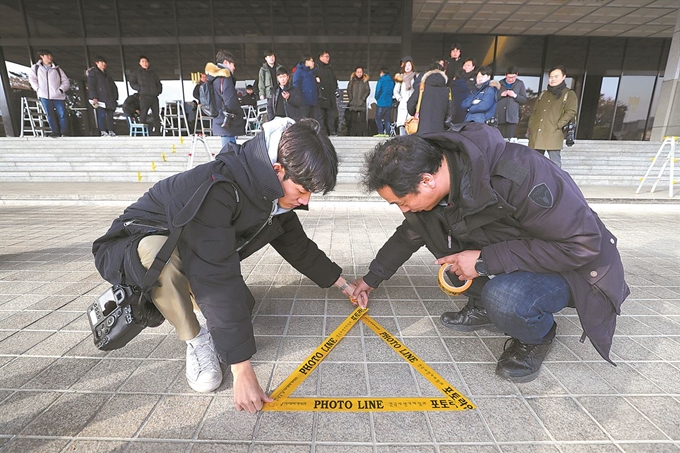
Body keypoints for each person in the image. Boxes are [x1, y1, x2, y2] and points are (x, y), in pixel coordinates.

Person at [92, 117, 358, 410]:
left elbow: (297, 246)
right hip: (133, 245)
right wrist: (242, 369)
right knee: (162, 255)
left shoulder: (268, 192)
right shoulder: (220, 188)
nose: (305, 200)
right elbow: (216, 275)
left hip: (190, 249)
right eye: (302, 190)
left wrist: (342, 283)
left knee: (242, 307)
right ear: (278, 170)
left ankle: (193, 302)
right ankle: (194, 339)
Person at [351, 124, 630, 383]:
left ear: (426, 181)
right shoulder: (444, 178)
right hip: (524, 254)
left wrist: (484, 261)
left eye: (402, 202)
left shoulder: (522, 174)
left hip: (574, 268)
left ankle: (537, 336)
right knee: (433, 231)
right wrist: (371, 278)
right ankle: (482, 305)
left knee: (504, 297)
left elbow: (582, 245)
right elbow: (409, 234)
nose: (404, 209)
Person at [528, 65, 578, 168]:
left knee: (555, 164)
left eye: (556, 76)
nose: (553, 79)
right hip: (537, 132)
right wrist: (531, 125)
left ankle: (557, 183)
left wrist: (558, 125)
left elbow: (571, 111)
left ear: (564, 77)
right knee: (534, 162)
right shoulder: (544, 94)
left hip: (553, 132)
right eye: (551, 77)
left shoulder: (569, 94)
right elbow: (535, 112)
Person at [205, 50, 245, 146]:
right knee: (229, 153)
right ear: (226, 62)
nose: (234, 68)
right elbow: (230, 101)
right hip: (228, 120)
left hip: (219, 117)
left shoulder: (213, 78)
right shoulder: (225, 77)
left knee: (228, 151)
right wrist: (239, 113)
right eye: (232, 64)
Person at [28, 49, 70, 138]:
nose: (50, 57)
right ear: (42, 57)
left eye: (51, 55)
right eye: (47, 55)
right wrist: (38, 89)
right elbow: (32, 79)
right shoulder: (36, 68)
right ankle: (54, 131)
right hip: (44, 96)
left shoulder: (57, 69)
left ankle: (65, 132)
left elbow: (66, 81)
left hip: (58, 96)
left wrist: (61, 90)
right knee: (49, 114)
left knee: (62, 114)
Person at [406, 64, 455, 136]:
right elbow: (451, 111)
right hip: (439, 130)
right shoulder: (447, 90)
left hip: (421, 129)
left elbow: (410, 105)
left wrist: (416, 114)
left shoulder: (422, 88)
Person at [128, 55, 163, 135]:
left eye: (146, 62)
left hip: (154, 96)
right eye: (143, 61)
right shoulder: (136, 73)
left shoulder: (153, 73)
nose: (145, 63)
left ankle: (157, 132)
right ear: (139, 63)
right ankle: (141, 133)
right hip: (144, 96)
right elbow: (132, 83)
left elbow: (158, 83)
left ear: (149, 63)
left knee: (156, 115)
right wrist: (140, 89)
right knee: (143, 114)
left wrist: (158, 91)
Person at [86, 56, 118, 137]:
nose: (104, 64)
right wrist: (94, 97)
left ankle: (111, 131)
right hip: (100, 98)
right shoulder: (93, 73)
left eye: (104, 62)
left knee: (110, 116)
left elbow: (113, 86)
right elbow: (91, 86)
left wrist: (115, 97)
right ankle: (103, 131)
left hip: (110, 98)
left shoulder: (107, 74)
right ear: (97, 63)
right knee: (101, 115)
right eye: (101, 62)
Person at [496, 66, 527, 141]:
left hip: (512, 116)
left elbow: (524, 100)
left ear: (517, 75)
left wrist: (515, 95)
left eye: (513, 77)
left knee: (509, 140)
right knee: (497, 138)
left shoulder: (520, 84)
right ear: (505, 75)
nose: (510, 79)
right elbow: (492, 99)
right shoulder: (500, 83)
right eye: (509, 77)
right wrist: (500, 95)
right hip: (500, 116)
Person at [316, 51, 339, 135]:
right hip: (321, 97)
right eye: (326, 56)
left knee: (331, 116)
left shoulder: (330, 68)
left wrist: (335, 89)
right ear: (320, 57)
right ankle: (322, 133)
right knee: (321, 116)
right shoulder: (316, 67)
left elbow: (334, 81)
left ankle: (332, 131)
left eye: (328, 57)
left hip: (330, 97)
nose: (327, 58)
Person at [393, 57, 417, 136]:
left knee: (411, 124)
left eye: (409, 65)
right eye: (406, 65)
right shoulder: (400, 78)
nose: (407, 67)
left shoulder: (415, 77)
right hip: (403, 103)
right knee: (402, 125)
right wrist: (400, 99)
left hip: (413, 104)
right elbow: (395, 91)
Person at [292, 55, 320, 121]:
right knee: (304, 121)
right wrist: (299, 98)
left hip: (313, 101)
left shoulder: (313, 72)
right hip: (303, 102)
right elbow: (296, 85)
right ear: (306, 61)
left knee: (315, 121)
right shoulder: (299, 71)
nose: (313, 63)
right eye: (312, 61)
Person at [346, 66, 370, 137]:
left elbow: (367, 91)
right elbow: (349, 90)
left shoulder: (365, 81)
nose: (359, 74)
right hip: (353, 103)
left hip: (361, 104)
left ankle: (364, 135)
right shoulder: (352, 81)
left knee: (363, 121)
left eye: (361, 72)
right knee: (353, 121)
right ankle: (352, 135)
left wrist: (363, 99)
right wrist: (351, 99)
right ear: (355, 73)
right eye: (358, 72)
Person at [374, 67, 395, 137]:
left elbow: (378, 91)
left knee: (378, 118)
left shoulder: (381, 80)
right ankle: (388, 133)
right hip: (389, 103)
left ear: (382, 72)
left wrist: (376, 97)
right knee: (387, 119)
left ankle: (380, 132)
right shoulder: (392, 81)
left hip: (381, 102)